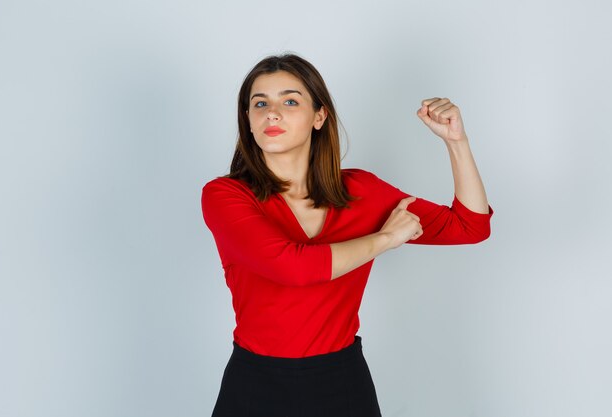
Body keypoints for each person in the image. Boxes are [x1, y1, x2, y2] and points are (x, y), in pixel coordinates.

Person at [201, 53, 493, 417]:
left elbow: (470, 227)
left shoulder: (362, 191)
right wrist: (385, 239)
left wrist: (457, 141)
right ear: (248, 118)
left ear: (319, 116)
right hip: (256, 385)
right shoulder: (226, 195)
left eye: (290, 101)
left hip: (341, 382)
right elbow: (293, 268)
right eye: (259, 103)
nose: (271, 113)